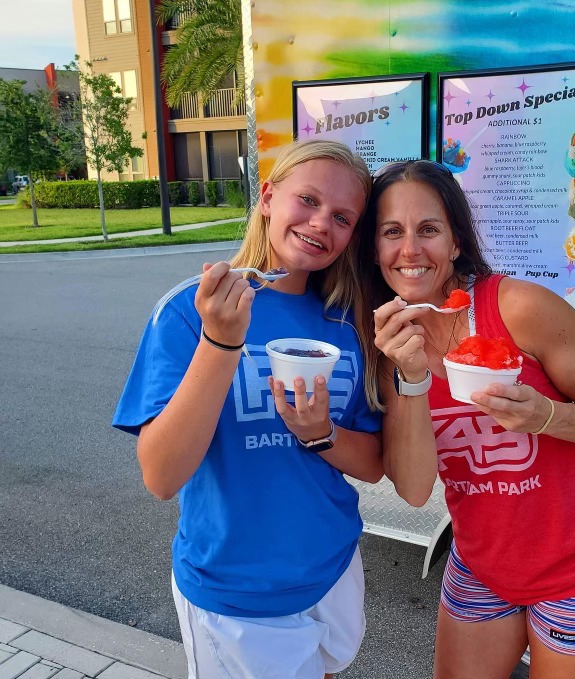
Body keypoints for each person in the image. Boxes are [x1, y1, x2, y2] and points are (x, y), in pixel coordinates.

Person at [358, 160, 575, 679]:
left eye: (429, 230)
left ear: (456, 242)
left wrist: (547, 416)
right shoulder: (388, 346)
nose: (410, 250)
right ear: (374, 249)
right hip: (481, 565)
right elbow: (417, 489)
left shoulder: (517, 308)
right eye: (391, 232)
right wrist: (413, 377)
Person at [113, 139, 383, 679]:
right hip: (236, 589)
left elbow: (373, 465)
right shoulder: (190, 312)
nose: (320, 223)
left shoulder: (349, 322)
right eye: (307, 200)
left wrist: (321, 431)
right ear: (267, 197)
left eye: (342, 216)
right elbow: (162, 476)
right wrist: (221, 342)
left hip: (332, 568)